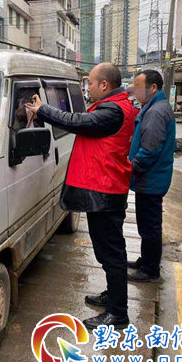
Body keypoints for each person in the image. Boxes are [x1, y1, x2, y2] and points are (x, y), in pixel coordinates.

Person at [25, 63, 138, 330]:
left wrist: (43, 109)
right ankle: (113, 297)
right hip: (105, 188)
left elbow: (76, 122)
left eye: (90, 83)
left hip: (106, 191)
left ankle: (118, 313)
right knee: (107, 251)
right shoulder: (115, 106)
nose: (88, 88)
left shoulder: (112, 111)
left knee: (111, 253)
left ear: (104, 85)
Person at [127, 70, 176, 282]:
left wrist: (131, 167)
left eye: (138, 87)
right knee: (146, 224)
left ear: (153, 88)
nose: (135, 91)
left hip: (151, 179)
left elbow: (150, 150)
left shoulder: (156, 111)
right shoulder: (153, 107)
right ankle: (146, 261)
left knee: (150, 226)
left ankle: (150, 270)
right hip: (151, 178)